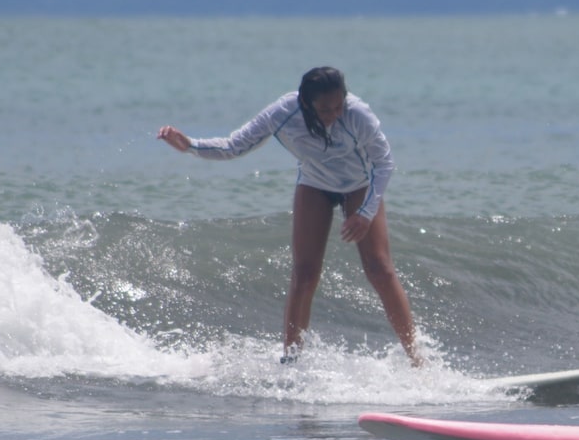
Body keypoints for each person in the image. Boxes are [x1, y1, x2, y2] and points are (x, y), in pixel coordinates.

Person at [157, 66, 420, 365]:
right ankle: (291, 362)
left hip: (359, 186)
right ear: (306, 103)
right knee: (305, 273)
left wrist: (364, 213)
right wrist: (190, 146)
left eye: (338, 106)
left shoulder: (358, 115)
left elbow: (384, 164)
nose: (333, 114)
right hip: (314, 184)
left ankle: (417, 360)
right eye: (324, 109)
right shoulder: (283, 112)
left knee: (380, 270)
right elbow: (234, 146)